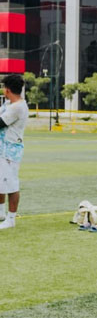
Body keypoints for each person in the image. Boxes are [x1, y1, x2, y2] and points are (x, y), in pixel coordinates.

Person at [0, 74, 29, 229]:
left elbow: (0, 123)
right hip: (2, 149)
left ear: (8, 89)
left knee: (11, 185)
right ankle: (1, 213)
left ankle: (11, 219)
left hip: (10, 151)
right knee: (1, 183)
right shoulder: (9, 104)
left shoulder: (17, 107)